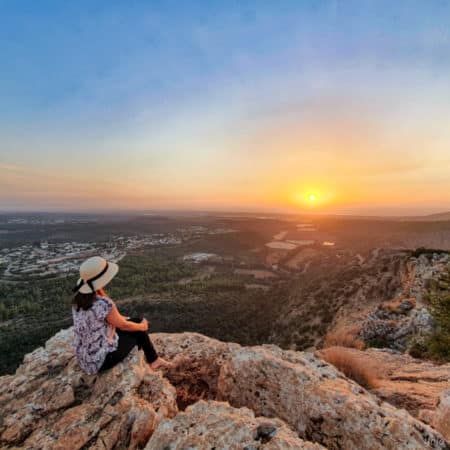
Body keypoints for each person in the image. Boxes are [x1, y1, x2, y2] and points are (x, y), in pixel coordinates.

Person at [71, 256, 174, 375]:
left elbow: (112, 318)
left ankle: (154, 359)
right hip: (101, 361)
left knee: (135, 321)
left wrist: (98, 289)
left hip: (85, 358)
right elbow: (124, 326)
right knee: (138, 330)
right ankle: (154, 360)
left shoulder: (77, 300)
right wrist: (143, 327)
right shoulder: (103, 304)